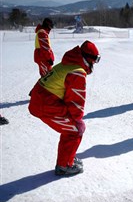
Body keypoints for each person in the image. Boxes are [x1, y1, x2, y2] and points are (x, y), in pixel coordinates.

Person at [28, 40, 101, 176]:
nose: (94, 64)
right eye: (95, 60)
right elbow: (75, 100)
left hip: (43, 100)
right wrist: (78, 120)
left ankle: (68, 159)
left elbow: (48, 78)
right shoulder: (77, 72)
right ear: (88, 58)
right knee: (75, 130)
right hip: (45, 104)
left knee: (72, 128)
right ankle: (64, 166)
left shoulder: (66, 64)